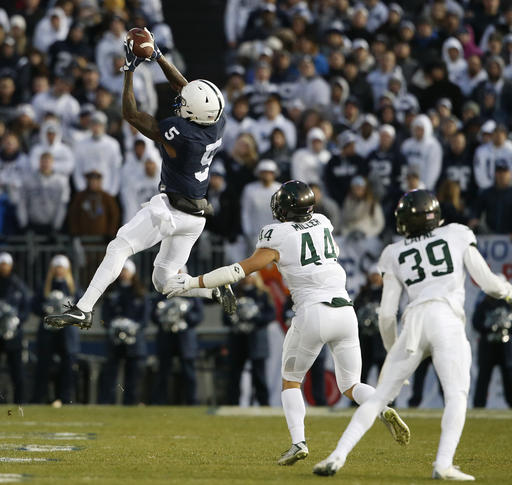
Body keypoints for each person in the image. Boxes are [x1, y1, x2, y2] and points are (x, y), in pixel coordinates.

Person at [165, 180, 410, 465]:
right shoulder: (322, 221)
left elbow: (238, 270)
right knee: (351, 384)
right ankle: (381, 408)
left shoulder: (277, 235)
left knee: (291, 381)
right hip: (345, 311)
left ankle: (299, 442)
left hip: (313, 312)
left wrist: (194, 282)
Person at [313, 189, 512, 480]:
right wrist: (508, 290)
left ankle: (337, 456)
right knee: (456, 396)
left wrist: (394, 350)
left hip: (414, 322)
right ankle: (443, 464)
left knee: (379, 398)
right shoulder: (457, 233)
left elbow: (386, 315)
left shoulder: (393, 252)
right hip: (446, 319)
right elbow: (490, 285)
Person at [44, 28, 236, 330]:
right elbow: (185, 90)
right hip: (195, 218)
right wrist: (158, 56)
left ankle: (83, 308)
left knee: (119, 247)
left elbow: (132, 115)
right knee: (163, 282)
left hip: (171, 211)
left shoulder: (182, 135)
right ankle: (213, 288)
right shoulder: (216, 121)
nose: (180, 104)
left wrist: (129, 69)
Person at [32, 255, 79, 407]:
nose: (59, 270)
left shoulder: (73, 287)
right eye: (56, 267)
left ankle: (64, 397)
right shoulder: (44, 286)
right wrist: (45, 309)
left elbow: (82, 307)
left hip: (66, 332)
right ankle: (41, 396)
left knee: (67, 364)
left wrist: (67, 308)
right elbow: (34, 304)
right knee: (44, 364)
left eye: (62, 267)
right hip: (47, 331)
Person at [101, 259, 148, 405]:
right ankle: (108, 402)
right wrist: (113, 325)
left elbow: (144, 319)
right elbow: (104, 317)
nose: (123, 274)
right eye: (121, 270)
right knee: (111, 375)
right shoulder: (111, 291)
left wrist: (132, 326)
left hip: (134, 343)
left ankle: (131, 403)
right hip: (115, 341)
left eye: (126, 270)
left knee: (133, 376)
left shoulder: (140, 292)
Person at [224, 273, 274, 406]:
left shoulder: (263, 293)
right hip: (237, 340)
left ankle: (264, 405)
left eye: (251, 276)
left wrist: (255, 318)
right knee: (234, 375)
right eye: (245, 276)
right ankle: (232, 405)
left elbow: (271, 314)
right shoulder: (233, 293)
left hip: (257, 340)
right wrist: (237, 319)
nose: (248, 279)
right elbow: (225, 317)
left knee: (259, 376)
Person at [472, 287, 512, 408]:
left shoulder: (508, 304)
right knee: (483, 377)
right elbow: (476, 323)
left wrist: (505, 329)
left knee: (508, 377)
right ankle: (479, 405)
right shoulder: (483, 305)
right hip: (487, 347)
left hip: (505, 348)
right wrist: (490, 328)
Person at [0, 252, 30, 404]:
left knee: (17, 371)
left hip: (14, 334)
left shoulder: (18, 285)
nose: (3, 267)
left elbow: (26, 308)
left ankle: (20, 402)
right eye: (2, 264)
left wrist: (17, 319)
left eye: (6, 264)